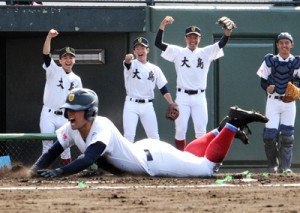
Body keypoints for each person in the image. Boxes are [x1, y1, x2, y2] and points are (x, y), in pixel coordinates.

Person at [30, 88, 268, 178]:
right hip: (145, 151)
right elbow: (52, 151)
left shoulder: (101, 126)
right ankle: (222, 128)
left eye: (76, 111)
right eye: (69, 110)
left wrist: (60, 172)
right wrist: (32, 173)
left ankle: (232, 123)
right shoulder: (72, 127)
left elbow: (87, 159)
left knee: (206, 168)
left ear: (89, 112)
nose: (70, 114)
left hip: (153, 162)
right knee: (190, 157)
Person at [155, 16, 236, 150]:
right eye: (190, 37)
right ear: (185, 39)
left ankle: (197, 159)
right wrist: (162, 25)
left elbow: (221, 43)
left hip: (199, 97)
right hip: (182, 96)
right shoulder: (178, 52)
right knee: (180, 129)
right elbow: (158, 43)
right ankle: (181, 159)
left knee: (201, 130)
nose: (193, 40)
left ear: (200, 39)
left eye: (195, 37)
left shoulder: (205, 52)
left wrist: (228, 32)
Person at [257, 32, 300, 173]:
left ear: (292, 45)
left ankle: (285, 168)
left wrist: (297, 89)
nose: (284, 45)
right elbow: (263, 81)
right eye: (281, 43)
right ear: (277, 45)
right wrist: (267, 87)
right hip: (273, 101)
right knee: (269, 136)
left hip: (289, 102)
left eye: (287, 43)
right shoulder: (270, 61)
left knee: (287, 137)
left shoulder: (296, 63)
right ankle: (272, 165)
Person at [39, 29, 83, 167]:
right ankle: (44, 173)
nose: (68, 60)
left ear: (74, 60)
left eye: (71, 57)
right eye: (65, 57)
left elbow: (78, 101)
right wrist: (49, 37)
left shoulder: (76, 79)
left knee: (66, 147)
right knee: (47, 145)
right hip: (49, 113)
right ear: (60, 60)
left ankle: (65, 174)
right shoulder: (53, 69)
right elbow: (45, 54)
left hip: (65, 115)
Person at [122, 37, 176, 142]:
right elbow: (127, 63)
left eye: (142, 48)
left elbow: (163, 88)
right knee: (128, 136)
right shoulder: (132, 64)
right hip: (131, 104)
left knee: (154, 137)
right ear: (134, 51)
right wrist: (128, 58)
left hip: (147, 105)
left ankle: (157, 158)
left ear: (148, 50)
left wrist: (171, 103)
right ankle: (127, 158)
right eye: (137, 48)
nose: (140, 51)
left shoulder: (155, 69)